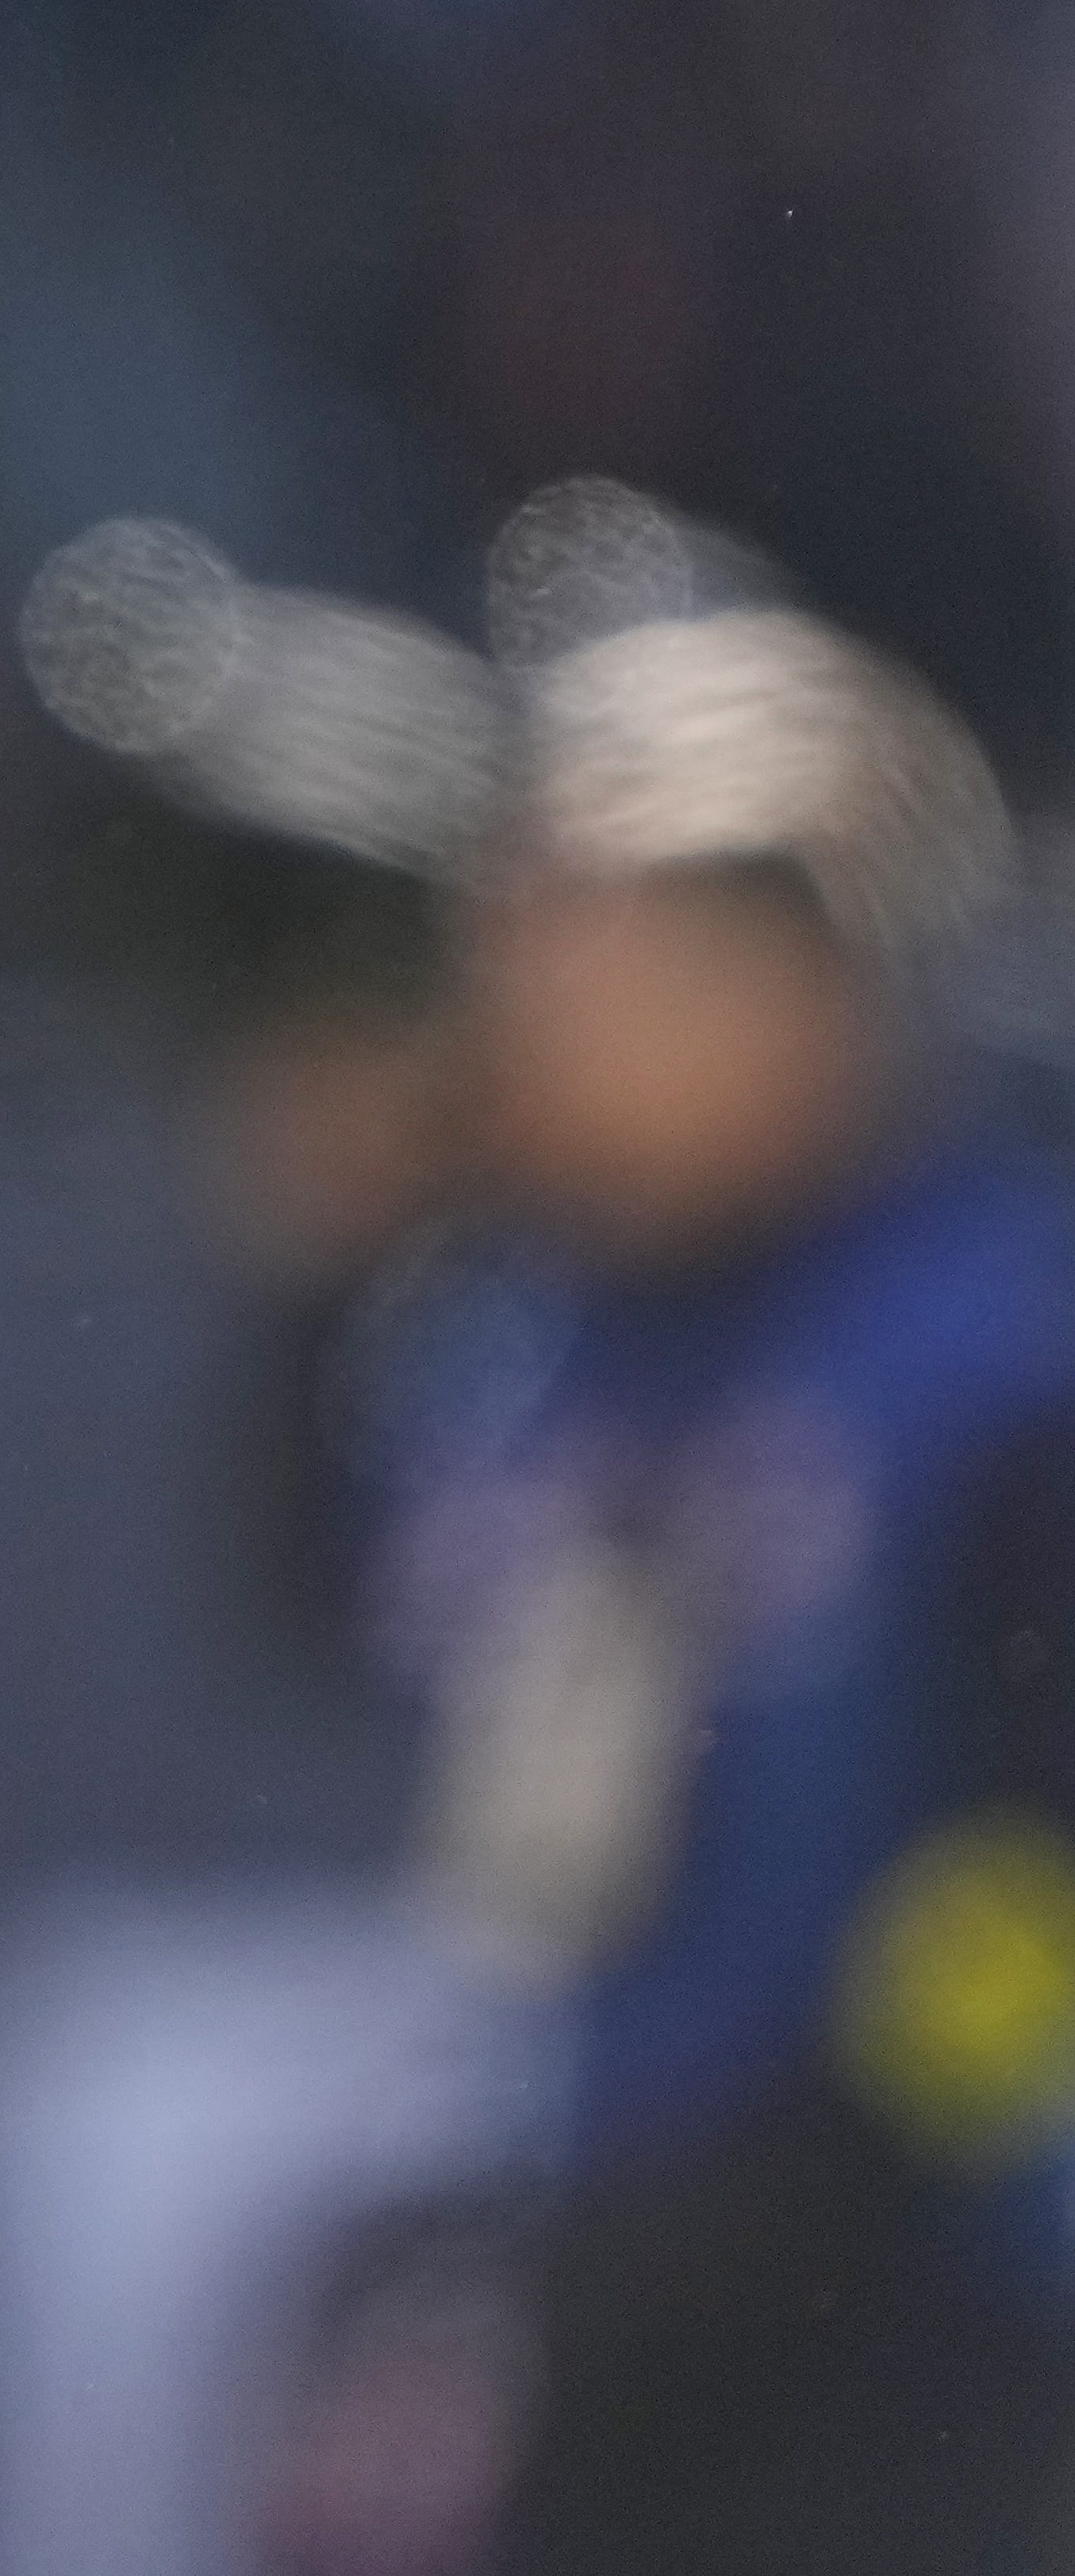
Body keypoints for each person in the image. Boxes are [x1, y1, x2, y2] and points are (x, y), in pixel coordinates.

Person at [359, 609, 1075, 2574]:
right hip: (597, 2250)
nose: (543, 1049)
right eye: (522, 985)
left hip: (922, 2307)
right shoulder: (504, 1339)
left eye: (623, 990)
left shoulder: (997, 1344)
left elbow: (1027, 1872)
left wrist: (835, 2160)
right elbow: (333, 1631)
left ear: (814, 989)